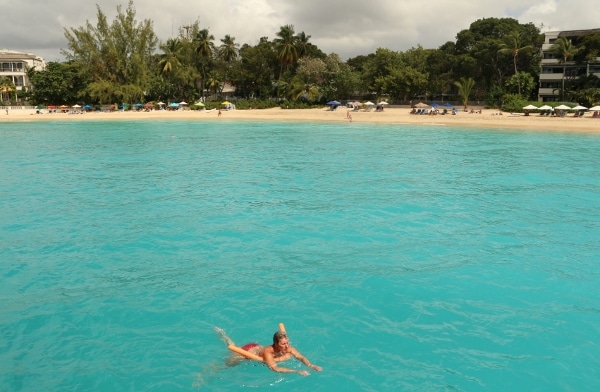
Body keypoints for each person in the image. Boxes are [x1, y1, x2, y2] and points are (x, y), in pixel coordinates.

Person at [215, 327, 322, 376]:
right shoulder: (268, 352)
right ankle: (223, 336)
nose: (287, 346)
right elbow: (274, 368)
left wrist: (311, 365)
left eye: (287, 343)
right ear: (276, 344)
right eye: (283, 344)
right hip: (248, 352)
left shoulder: (288, 348)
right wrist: (297, 371)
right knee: (226, 365)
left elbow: (301, 357)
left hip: (257, 347)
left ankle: (224, 336)